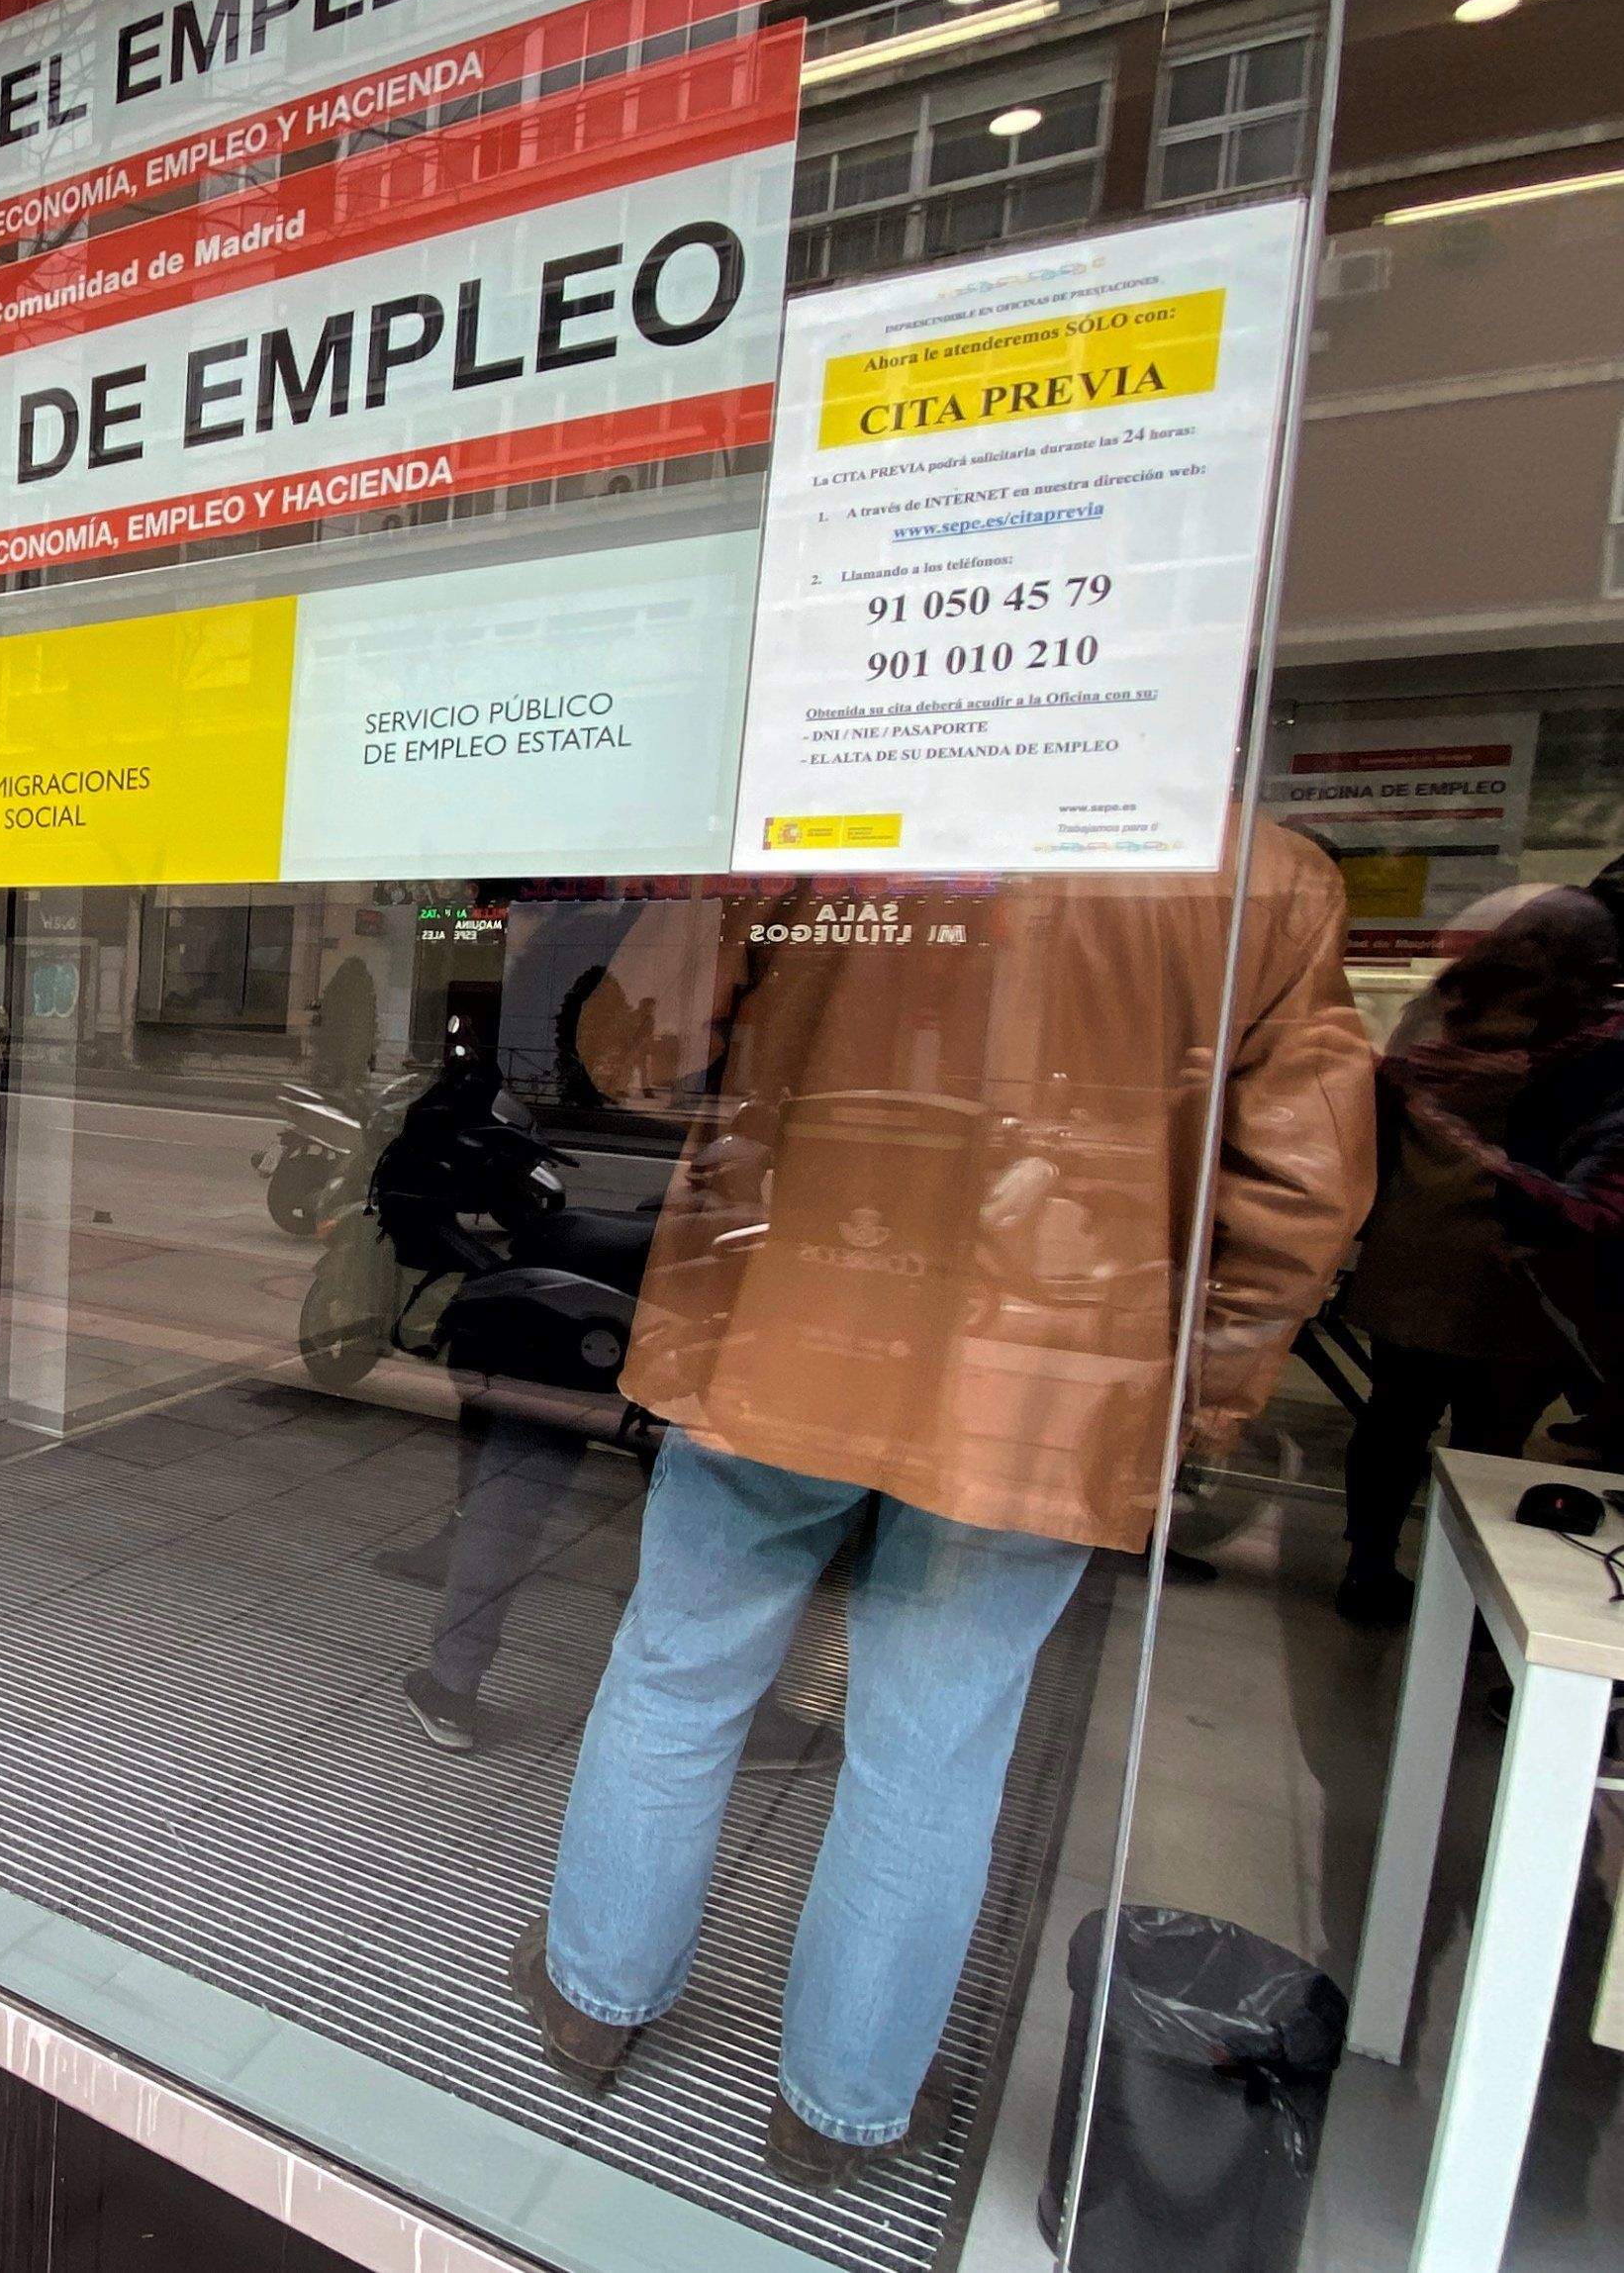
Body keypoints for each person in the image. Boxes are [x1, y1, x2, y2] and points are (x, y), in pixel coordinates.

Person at [520, 836, 1374, 2191]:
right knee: (933, 1747)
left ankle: (593, 1998)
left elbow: (635, 1053)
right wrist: (1188, 1397)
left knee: (678, 1673)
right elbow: (1304, 1186)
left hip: (780, 1332)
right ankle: (837, 2107)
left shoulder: (848, 809)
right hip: (1040, 1378)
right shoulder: (1254, 870)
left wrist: (731, 886)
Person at [1336, 886, 1623, 1621]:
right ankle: (1461, 1597)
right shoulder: (1590, 1037)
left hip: (1420, 1247)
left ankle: (1368, 1566)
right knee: (1489, 1441)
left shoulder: (1440, 1009)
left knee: (1394, 1416)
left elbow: (1377, 1125)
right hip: (1522, 1259)